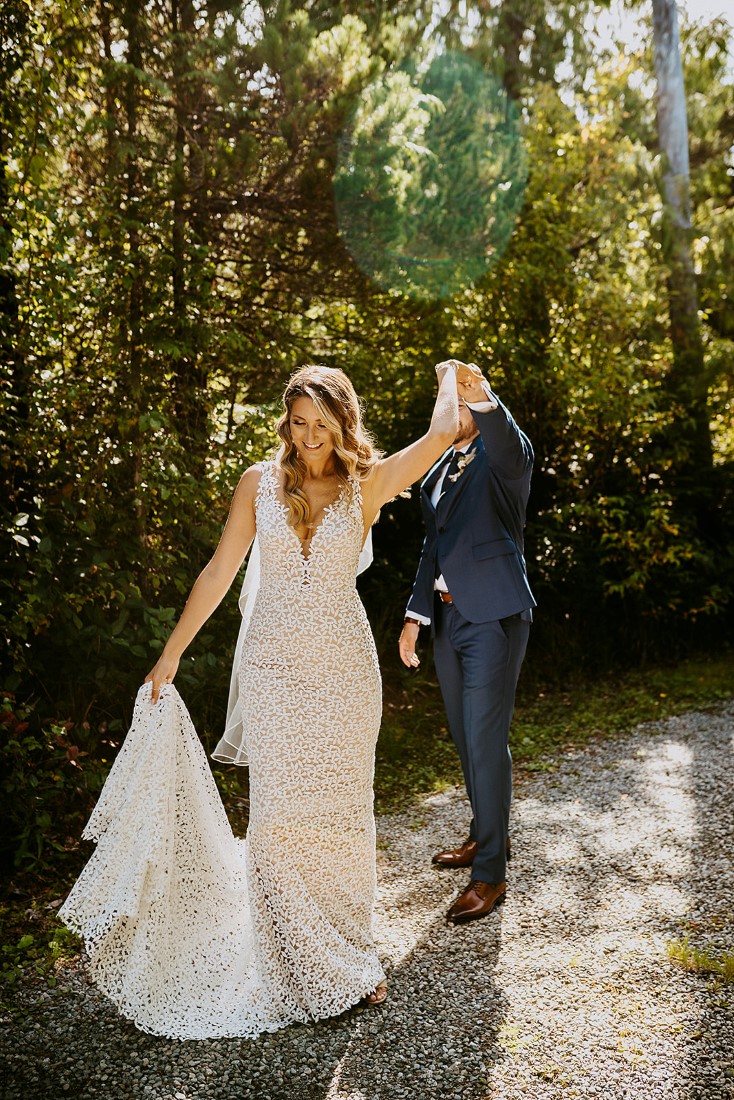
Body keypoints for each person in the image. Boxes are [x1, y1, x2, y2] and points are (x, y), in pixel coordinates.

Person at [60, 361, 461, 1040]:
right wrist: (172, 652)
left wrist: (452, 375)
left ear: (342, 422)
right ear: (286, 423)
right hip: (272, 672)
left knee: (341, 818)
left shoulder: (369, 481)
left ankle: (349, 958)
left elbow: (445, 430)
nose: (307, 438)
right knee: (276, 822)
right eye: (298, 423)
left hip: (343, 672)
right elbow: (220, 571)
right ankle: (288, 966)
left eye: (320, 425)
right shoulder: (258, 484)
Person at [398, 361, 535, 924]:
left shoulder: (502, 463)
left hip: (494, 616)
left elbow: (512, 443)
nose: (451, 411)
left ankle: (490, 875)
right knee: (466, 735)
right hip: (449, 620)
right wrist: (415, 614)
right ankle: (484, 837)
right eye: (446, 401)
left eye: (460, 404)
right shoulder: (435, 472)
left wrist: (482, 395)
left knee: (484, 739)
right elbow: (434, 548)